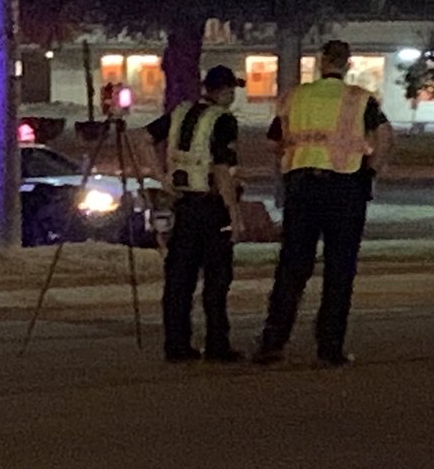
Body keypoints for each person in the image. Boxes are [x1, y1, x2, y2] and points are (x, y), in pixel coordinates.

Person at [253, 40, 393, 367]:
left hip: (301, 187)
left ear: (320, 62)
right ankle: (329, 346)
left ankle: (273, 341)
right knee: (339, 268)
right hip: (345, 186)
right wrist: (369, 174)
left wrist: (290, 167)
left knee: (292, 266)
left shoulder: (296, 97)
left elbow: (274, 142)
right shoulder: (359, 99)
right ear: (346, 64)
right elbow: (385, 137)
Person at [145, 65, 247, 363]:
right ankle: (217, 344)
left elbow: (144, 138)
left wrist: (161, 176)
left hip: (183, 205)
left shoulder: (180, 113)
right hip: (211, 206)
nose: (233, 96)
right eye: (232, 91)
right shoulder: (223, 121)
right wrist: (233, 212)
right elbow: (220, 169)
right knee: (216, 279)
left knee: (179, 279)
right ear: (224, 91)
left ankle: (176, 345)